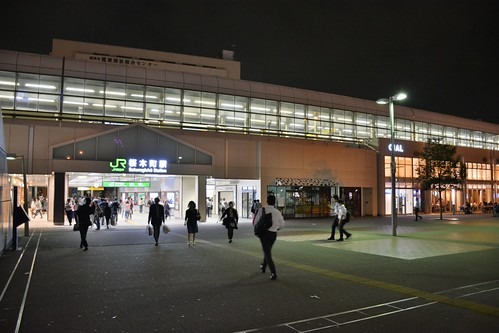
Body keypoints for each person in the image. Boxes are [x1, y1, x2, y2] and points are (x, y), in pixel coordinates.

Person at [254, 194, 285, 280]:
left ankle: (273, 272)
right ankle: (263, 266)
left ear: (267, 201)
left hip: (264, 234)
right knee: (267, 251)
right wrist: (276, 228)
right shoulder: (277, 212)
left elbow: (256, 221)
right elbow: (282, 225)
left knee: (267, 253)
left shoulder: (262, 210)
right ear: (274, 202)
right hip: (273, 234)